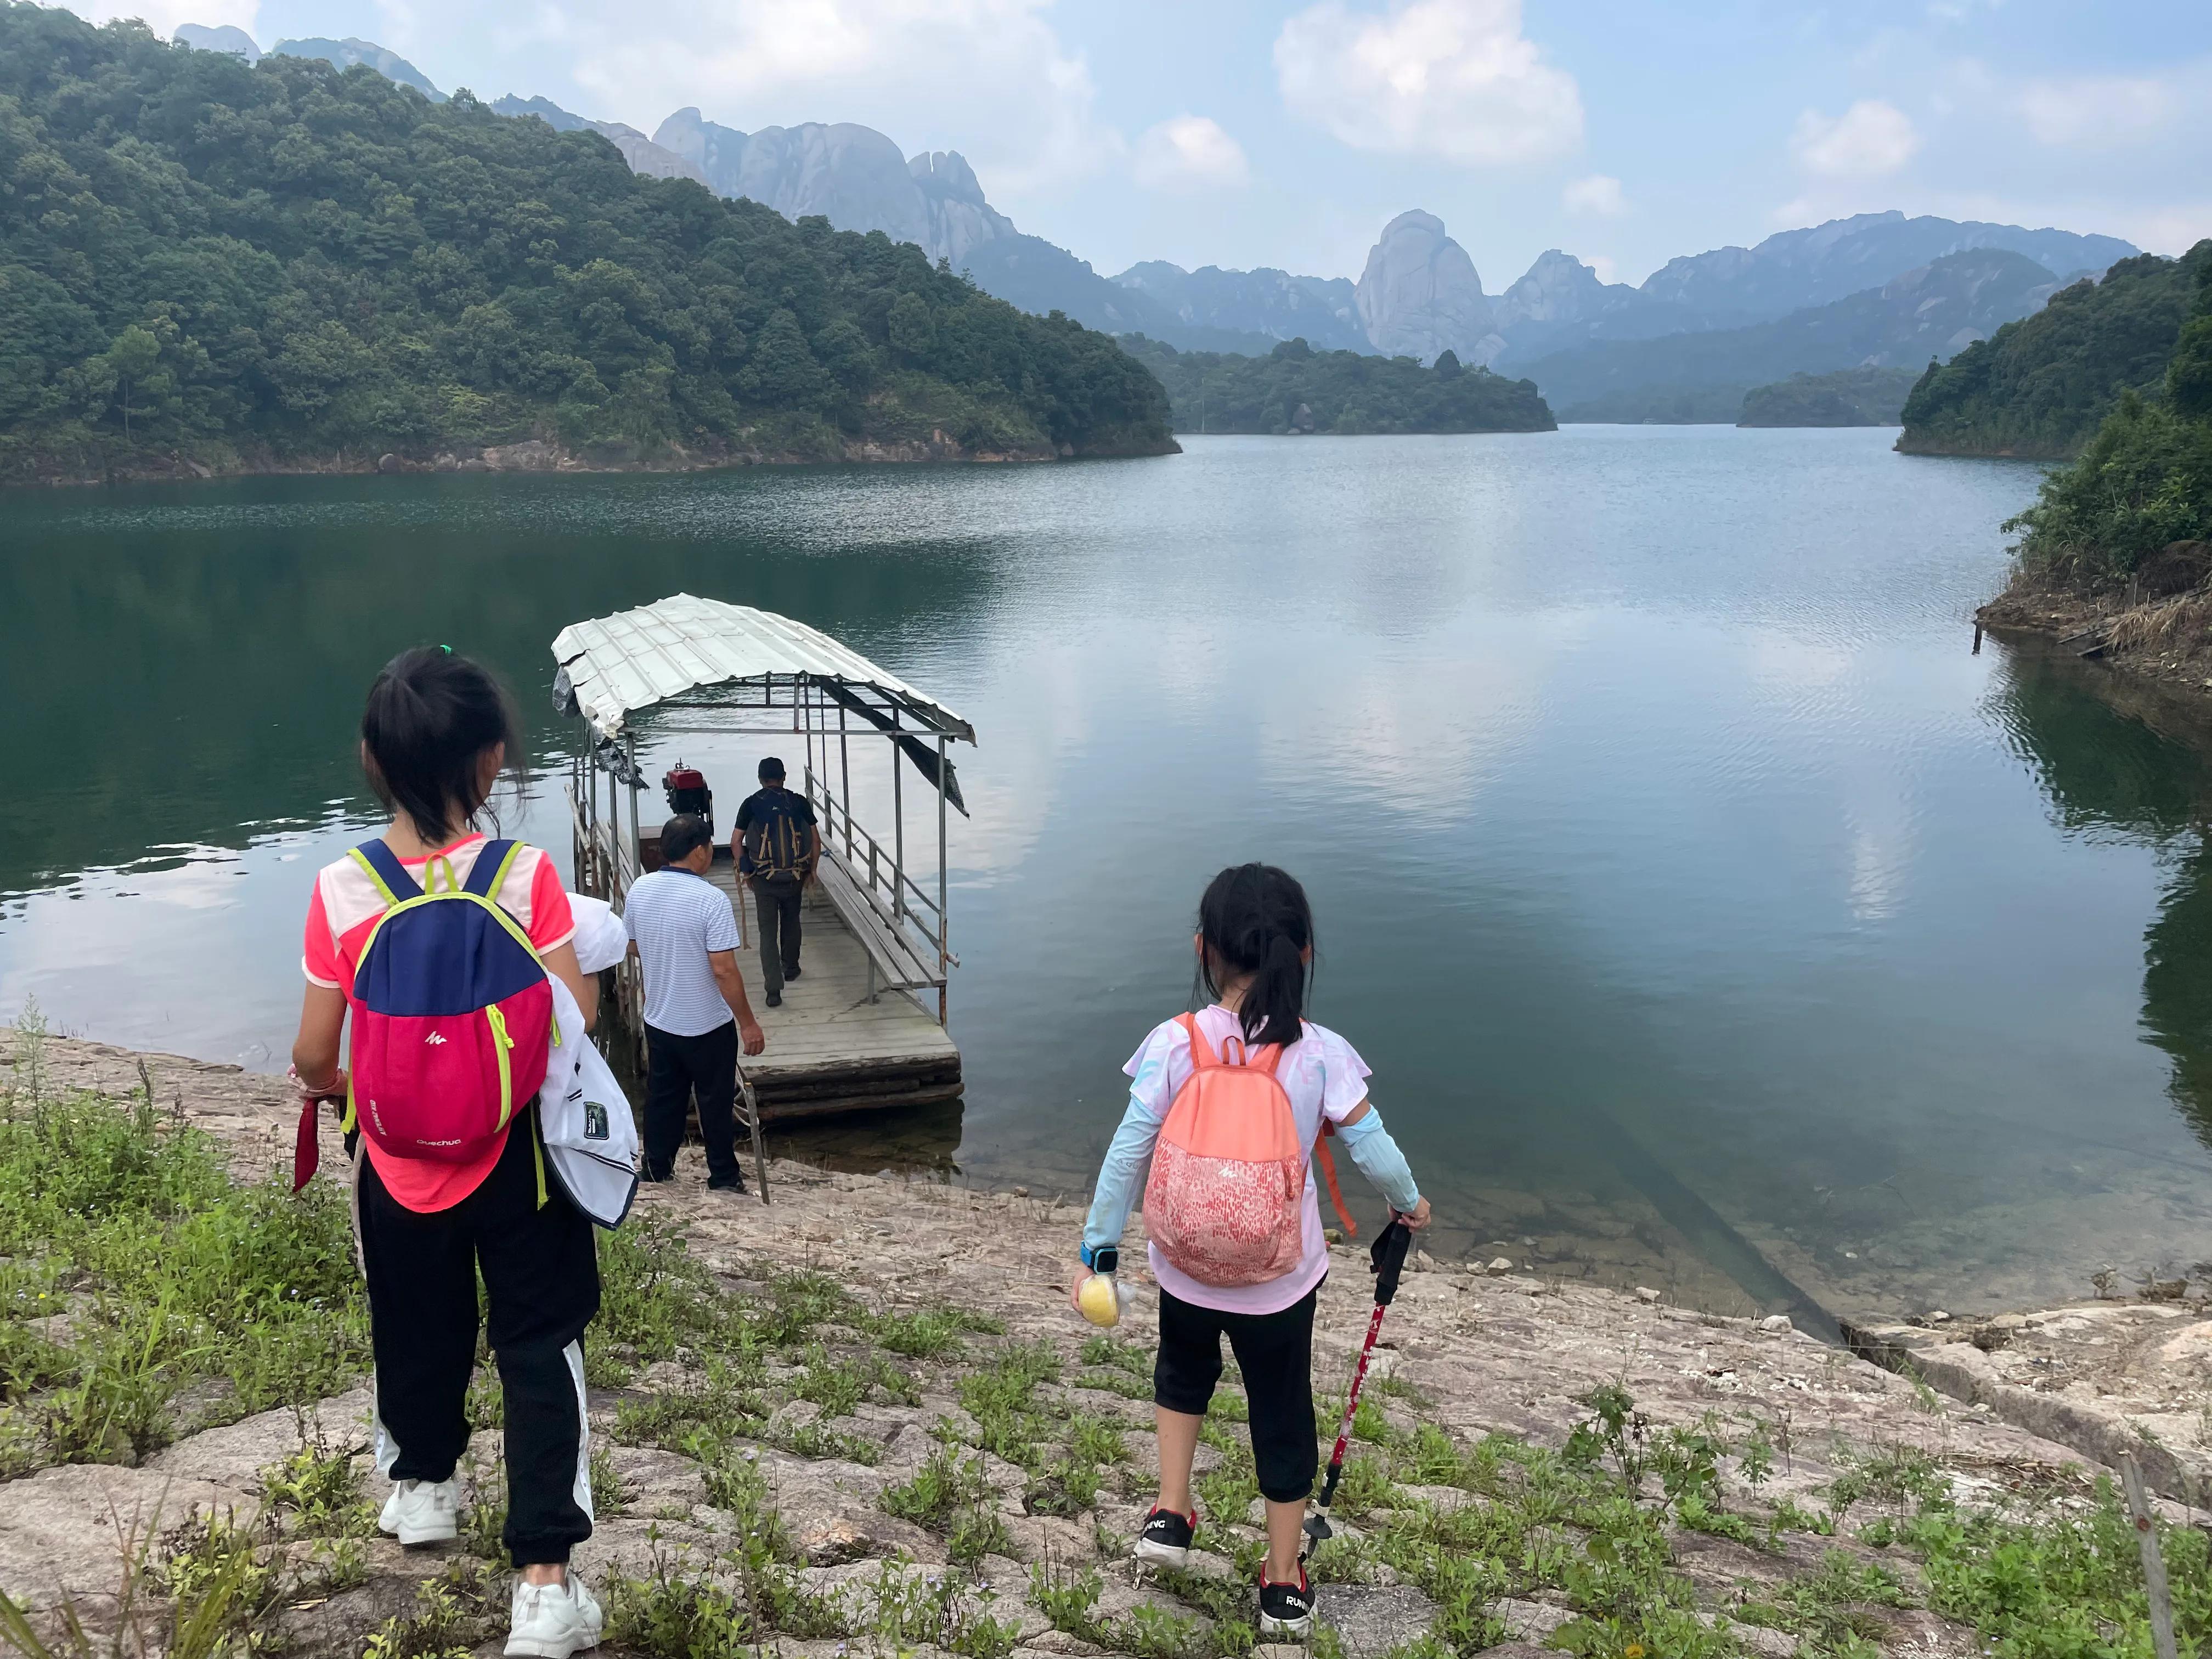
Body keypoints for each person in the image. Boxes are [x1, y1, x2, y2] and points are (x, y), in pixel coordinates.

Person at [288, 646, 606, 1659]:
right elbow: (575, 1017)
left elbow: (311, 1050)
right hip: (520, 1159)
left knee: (414, 1317)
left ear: (373, 760)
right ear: (492, 761)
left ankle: (424, 1488)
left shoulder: (343, 887)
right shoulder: (524, 874)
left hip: (392, 1160)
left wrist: (349, 1088)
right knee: (538, 1340)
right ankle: (545, 1587)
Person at [1074, 864, 1432, 1640]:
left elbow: (1128, 1148)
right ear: (1301, 956)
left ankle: (1171, 1512)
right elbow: (1373, 1149)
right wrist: (1409, 1205)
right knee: (1279, 1411)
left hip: (1186, 1265)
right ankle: (1279, 1586)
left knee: (1181, 1374)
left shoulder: (1177, 1041)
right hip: (1278, 1283)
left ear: (1204, 950)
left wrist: (1100, 1247)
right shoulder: (1321, 1053)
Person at [623, 812, 767, 1188]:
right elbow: (724, 970)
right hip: (707, 1024)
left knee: (663, 1098)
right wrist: (748, 1023)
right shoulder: (710, 899)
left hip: (660, 1018)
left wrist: (667, 954)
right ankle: (722, 1175)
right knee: (715, 1101)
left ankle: (656, 1168)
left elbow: (632, 944)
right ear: (701, 851)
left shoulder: (640, 888)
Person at [731, 756, 818, 1008]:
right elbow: (815, 840)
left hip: (764, 881)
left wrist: (747, 872)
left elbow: (736, 842)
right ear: (784, 777)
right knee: (792, 921)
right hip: (794, 877)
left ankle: (773, 990)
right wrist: (812, 871)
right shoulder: (799, 802)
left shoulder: (750, 804)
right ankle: (791, 968)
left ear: (760, 779)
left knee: (767, 933)